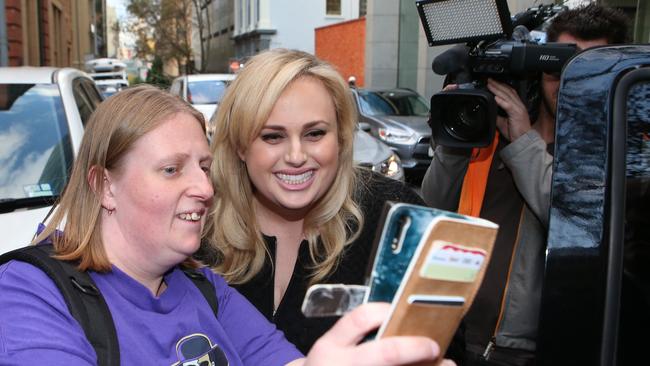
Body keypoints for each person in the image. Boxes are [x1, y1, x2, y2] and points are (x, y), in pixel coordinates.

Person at [0, 85, 443, 366]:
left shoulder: (206, 288)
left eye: (204, 166)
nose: (204, 188)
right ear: (105, 186)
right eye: (172, 169)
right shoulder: (32, 292)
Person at [420, 4, 629, 365]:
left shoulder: (609, 154)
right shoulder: (491, 135)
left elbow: (579, 222)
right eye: (559, 67)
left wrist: (523, 143)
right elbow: (434, 209)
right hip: (455, 335)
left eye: (587, 70)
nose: (568, 83)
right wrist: (455, 144)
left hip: (531, 352)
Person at [199, 49, 426, 353]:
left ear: (341, 137)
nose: (296, 156)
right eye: (272, 137)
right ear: (241, 146)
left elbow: (443, 342)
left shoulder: (394, 214)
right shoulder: (199, 227)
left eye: (315, 133)